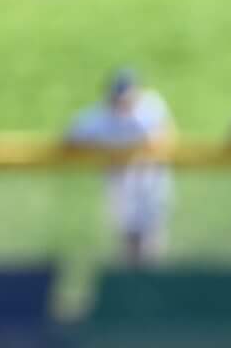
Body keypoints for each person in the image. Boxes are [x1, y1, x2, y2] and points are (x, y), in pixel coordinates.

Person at [63, 68, 176, 267]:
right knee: (127, 245)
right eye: (118, 97)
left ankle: (151, 285)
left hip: (150, 184)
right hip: (120, 185)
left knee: (152, 244)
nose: (123, 103)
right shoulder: (99, 116)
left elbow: (166, 136)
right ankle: (131, 287)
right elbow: (71, 136)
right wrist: (98, 150)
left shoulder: (149, 108)